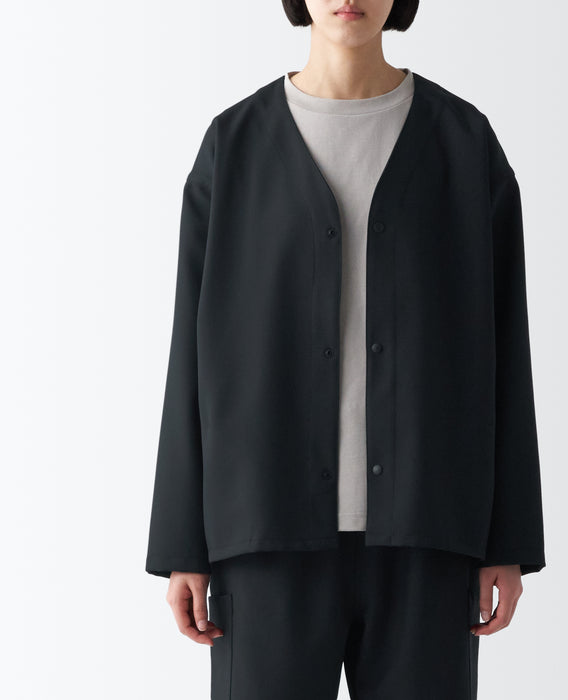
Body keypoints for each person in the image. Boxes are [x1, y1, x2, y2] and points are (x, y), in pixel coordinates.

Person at [145, 1, 546, 698]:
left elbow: (507, 348)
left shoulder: (463, 143)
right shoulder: (233, 147)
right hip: (264, 534)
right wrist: (183, 544)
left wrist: (508, 539)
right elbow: (191, 351)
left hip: (428, 533)